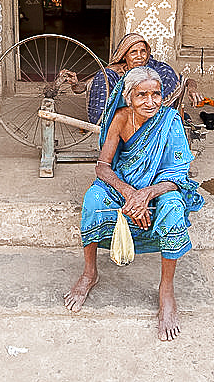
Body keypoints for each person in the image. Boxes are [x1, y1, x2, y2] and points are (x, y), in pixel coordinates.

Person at [64, 66, 205, 341]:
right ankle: (89, 272)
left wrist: (146, 195)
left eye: (156, 94)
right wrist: (130, 193)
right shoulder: (119, 118)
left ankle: (166, 291)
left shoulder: (170, 121)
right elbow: (103, 167)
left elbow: (178, 176)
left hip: (159, 187)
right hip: (126, 185)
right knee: (93, 199)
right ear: (129, 97)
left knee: (173, 208)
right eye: (142, 95)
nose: (150, 101)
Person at [61, 33, 203, 124]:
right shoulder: (115, 71)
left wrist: (192, 90)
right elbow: (83, 87)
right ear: (124, 56)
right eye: (133, 52)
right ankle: (104, 122)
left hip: (152, 117)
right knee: (102, 76)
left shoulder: (159, 69)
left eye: (143, 51)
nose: (139, 56)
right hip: (123, 118)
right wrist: (75, 83)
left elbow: (186, 80)